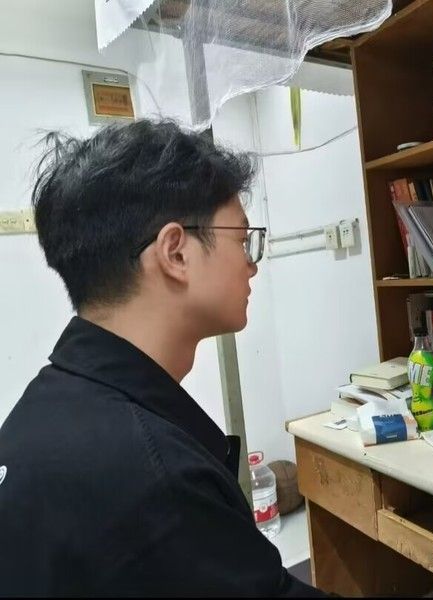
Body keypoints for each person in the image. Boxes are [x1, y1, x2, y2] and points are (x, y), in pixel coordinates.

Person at [0, 120, 325, 597]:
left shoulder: (45, 407)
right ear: (175, 253)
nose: (251, 264)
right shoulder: (156, 481)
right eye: (242, 239)